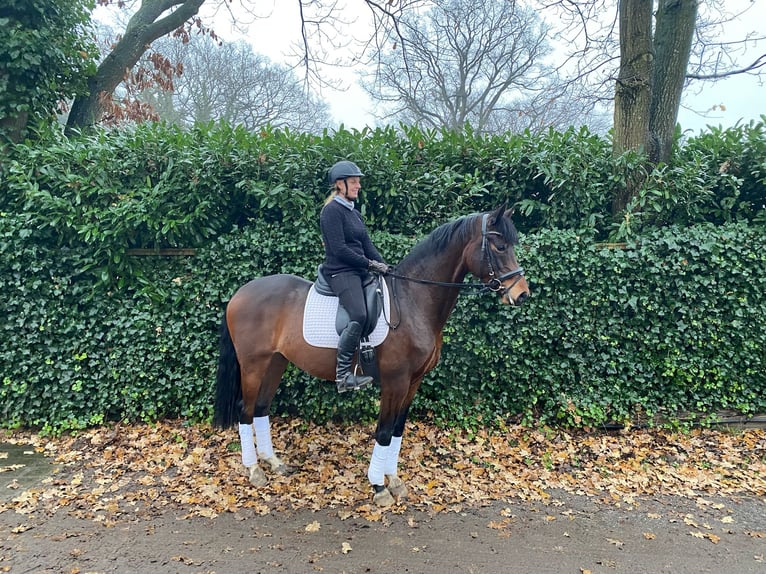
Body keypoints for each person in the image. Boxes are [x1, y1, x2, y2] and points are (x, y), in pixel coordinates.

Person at [320, 160, 390, 393]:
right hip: (340, 272)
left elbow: (367, 245)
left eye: (358, 182)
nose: (358, 186)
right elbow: (340, 250)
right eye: (354, 182)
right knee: (358, 313)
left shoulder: (354, 214)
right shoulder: (331, 212)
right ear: (340, 185)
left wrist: (386, 267)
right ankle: (343, 376)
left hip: (359, 271)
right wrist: (370, 264)